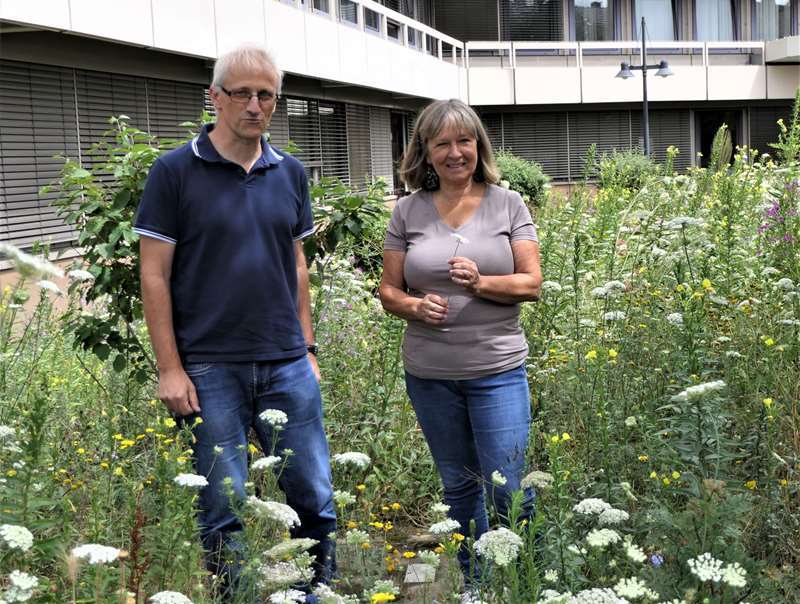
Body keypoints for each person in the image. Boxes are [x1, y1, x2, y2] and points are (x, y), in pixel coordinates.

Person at [135, 44, 336, 597]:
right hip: (208, 368)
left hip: (288, 363)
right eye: (241, 93)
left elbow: (296, 264)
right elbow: (154, 276)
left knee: (313, 497)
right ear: (214, 97)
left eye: (265, 94)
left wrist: (309, 350)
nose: (253, 104)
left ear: (276, 101)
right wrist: (170, 369)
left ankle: (317, 592)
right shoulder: (173, 172)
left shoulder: (291, 173)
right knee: (222, 504)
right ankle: (238, 595)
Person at [378, 99, 542, 590]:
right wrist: (412, 307)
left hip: (497, 370)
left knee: (510, 489)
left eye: (464, 141)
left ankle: (520, 586)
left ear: (478, 146)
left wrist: (480, 283)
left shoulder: (507, 204)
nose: (455, 153)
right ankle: (477, 587)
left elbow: (531, 283)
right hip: (430, 375)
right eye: (442, 143)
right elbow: (388, 290)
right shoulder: (406, 211)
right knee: (460, 487)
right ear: (425, 153)